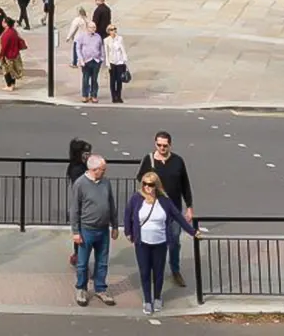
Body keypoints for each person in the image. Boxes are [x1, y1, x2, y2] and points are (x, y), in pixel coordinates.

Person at [124, 172, 200, 315]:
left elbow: (178, 216)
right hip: (142, 242)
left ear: (156, 185)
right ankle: (147, 300)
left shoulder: (164, 200)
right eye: (145, 184)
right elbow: (128, 214)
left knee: (158, 272)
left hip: (160, 242)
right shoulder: (136, 198)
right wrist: (128, 232)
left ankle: (157, 297)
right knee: (145, 272)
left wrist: (192, 232)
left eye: (151, 184)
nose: (147, 187)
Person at [137, 131, 195, 288]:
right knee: (155, 241)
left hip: (174, 209)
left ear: (170, 145)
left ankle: (175, 270)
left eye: (165, 145)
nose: (162, 148)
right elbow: (141, 181)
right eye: (159, 145)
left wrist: (189, 207)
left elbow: (185, 185)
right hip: (155, 209)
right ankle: (154, 270)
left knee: (174, 241)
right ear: (155, 144)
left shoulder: (178, 161)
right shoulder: (148, 160)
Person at [70, 155, 119, 307]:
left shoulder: (106, 182)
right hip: (86, 229)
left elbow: (111, 203)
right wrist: (75, 232)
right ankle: (81, 288)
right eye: (102, 169)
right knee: (83, 263)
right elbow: (75, 209)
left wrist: (115, 225)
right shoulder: (80, 184)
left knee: (102, 262)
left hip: (103, 229)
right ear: (93, 170)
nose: (104, 172)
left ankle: (101, 288)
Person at [65, 138, 92, 266]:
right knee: (82, 234)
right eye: (86, 153)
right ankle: (80, 260)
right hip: (83, 205)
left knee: (82, 235)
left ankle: (79, 257)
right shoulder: (78, 169)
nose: (89, 155)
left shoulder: (80, 166)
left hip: (84, 205)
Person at [76, 21, 104, 103]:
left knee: (94, 79)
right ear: (87, 28)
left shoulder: (98, 37)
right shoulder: (82, 36)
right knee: (85, 79)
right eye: (92, 27)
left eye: (94, 27)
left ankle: (94, 95)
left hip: (96, 60)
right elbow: (78, 48)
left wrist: (101, 58)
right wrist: (81, 59)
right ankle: (85, 95)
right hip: (86, 61)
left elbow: (101, 47)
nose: (93, 29)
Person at [0, 18, 27, 91]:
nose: (2, 22)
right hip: (15, 53)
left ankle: (9, 85)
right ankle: (13, 84)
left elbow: (4, 47)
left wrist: (1, 55)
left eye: (3, 22)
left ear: (6, 24)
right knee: (13, 70)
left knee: (6, 70)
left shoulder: (6, 35)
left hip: (8, 55)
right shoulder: (13, 31)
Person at [103, 23, 128, 104]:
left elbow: (122, 49)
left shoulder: (120, 38)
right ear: (108, 31)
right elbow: (106, 52)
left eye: (114, 29)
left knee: (119, 80)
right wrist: (107, 63)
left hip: (120, 62)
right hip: (112, 62)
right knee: (113, 81)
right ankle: (114, 97)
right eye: (111, 30)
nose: (113, 31)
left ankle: (119, 96)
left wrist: (125, 60)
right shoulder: (106, 40)